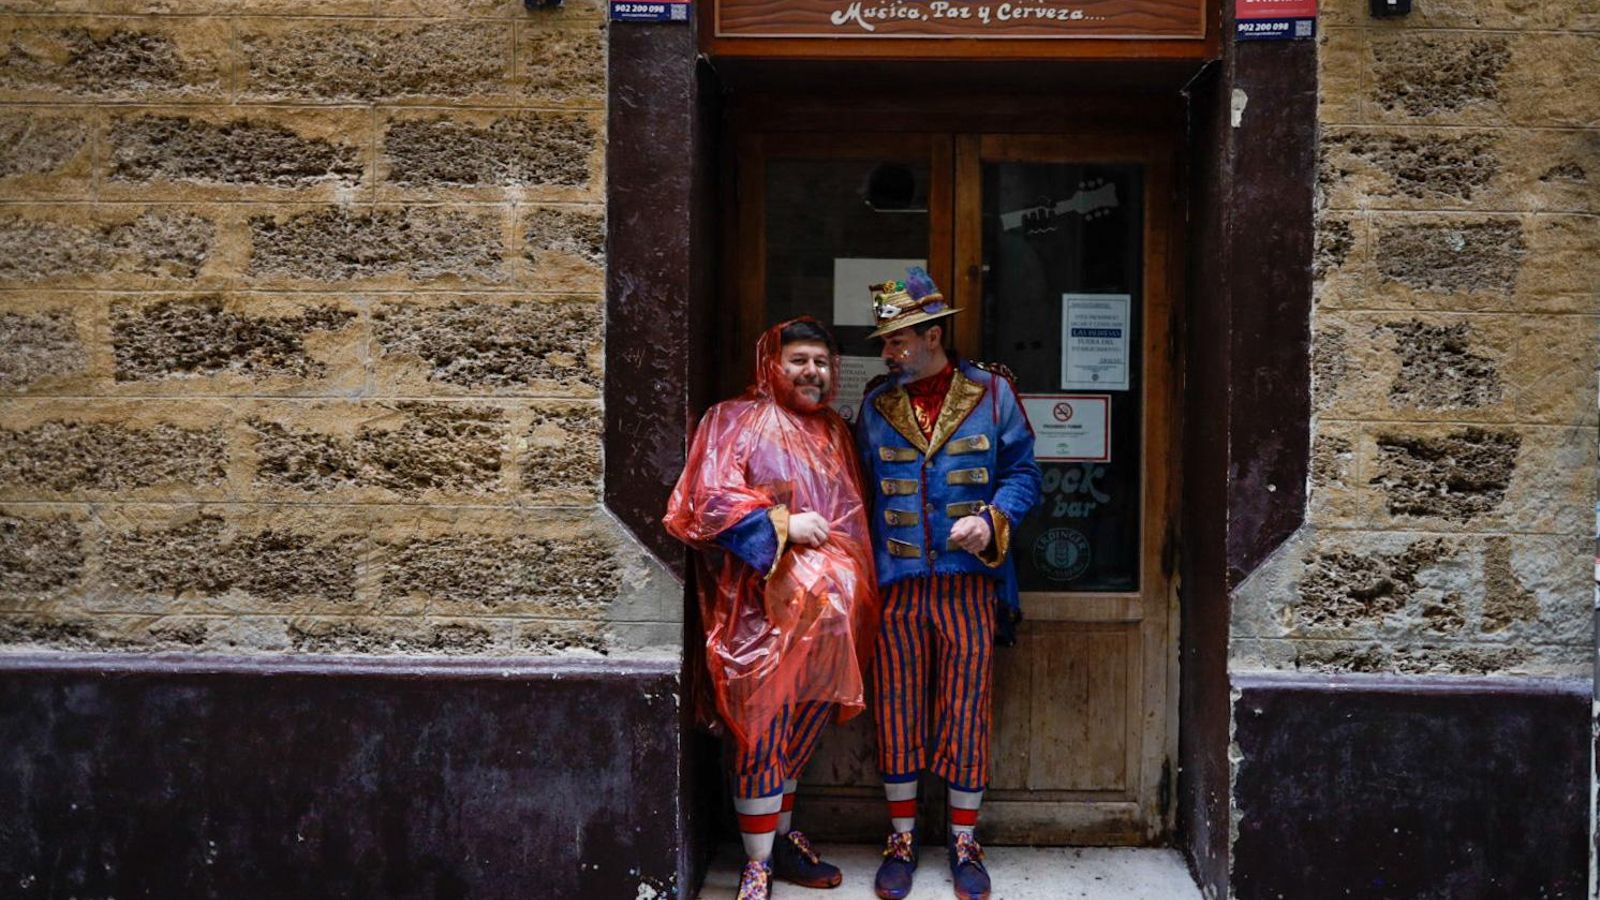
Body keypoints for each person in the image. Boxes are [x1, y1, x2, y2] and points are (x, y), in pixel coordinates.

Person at [663, 317, 879, 900]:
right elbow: (703, 504)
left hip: (828, 621)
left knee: (797, 730)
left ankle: (780, 841)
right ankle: (757, 862)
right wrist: (782, 524)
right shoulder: (732, 420)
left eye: (823, 362)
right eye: (800, 359)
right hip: (755, 615)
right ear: (771, 364)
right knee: (759, 732)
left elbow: (852, 515)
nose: (814, 372)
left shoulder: (835, 429)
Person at [855, 268, 1041, 900]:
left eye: (897, 341)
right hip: (897, 587)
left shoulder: (993, 395)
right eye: (886, 343)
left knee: (967, 710)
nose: (886, 353)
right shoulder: (875, 403)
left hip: (969, 587)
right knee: (896, 709)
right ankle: (901, 838)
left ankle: (964, 840)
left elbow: (1024, 474)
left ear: (933, 335)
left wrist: (992, 521)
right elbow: (856, 491)